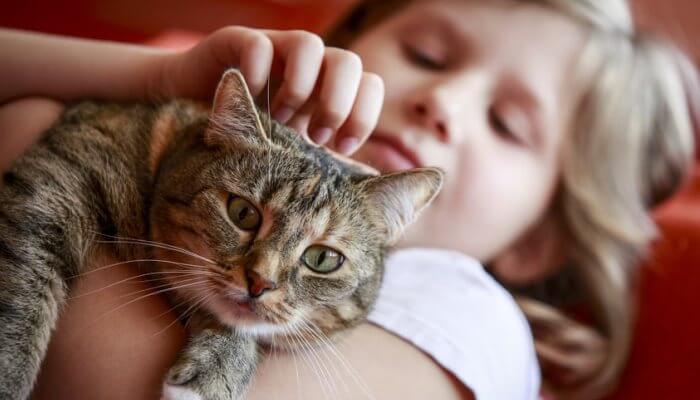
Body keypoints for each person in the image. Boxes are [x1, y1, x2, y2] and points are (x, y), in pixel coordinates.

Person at [0, 0, 696, 399]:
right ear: (343, 47)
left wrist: (30, 129)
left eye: (507, 124)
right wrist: (159, 72)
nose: (441, 105)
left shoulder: (468, 311)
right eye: (426, 54)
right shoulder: (199, 140)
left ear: (535, 241)